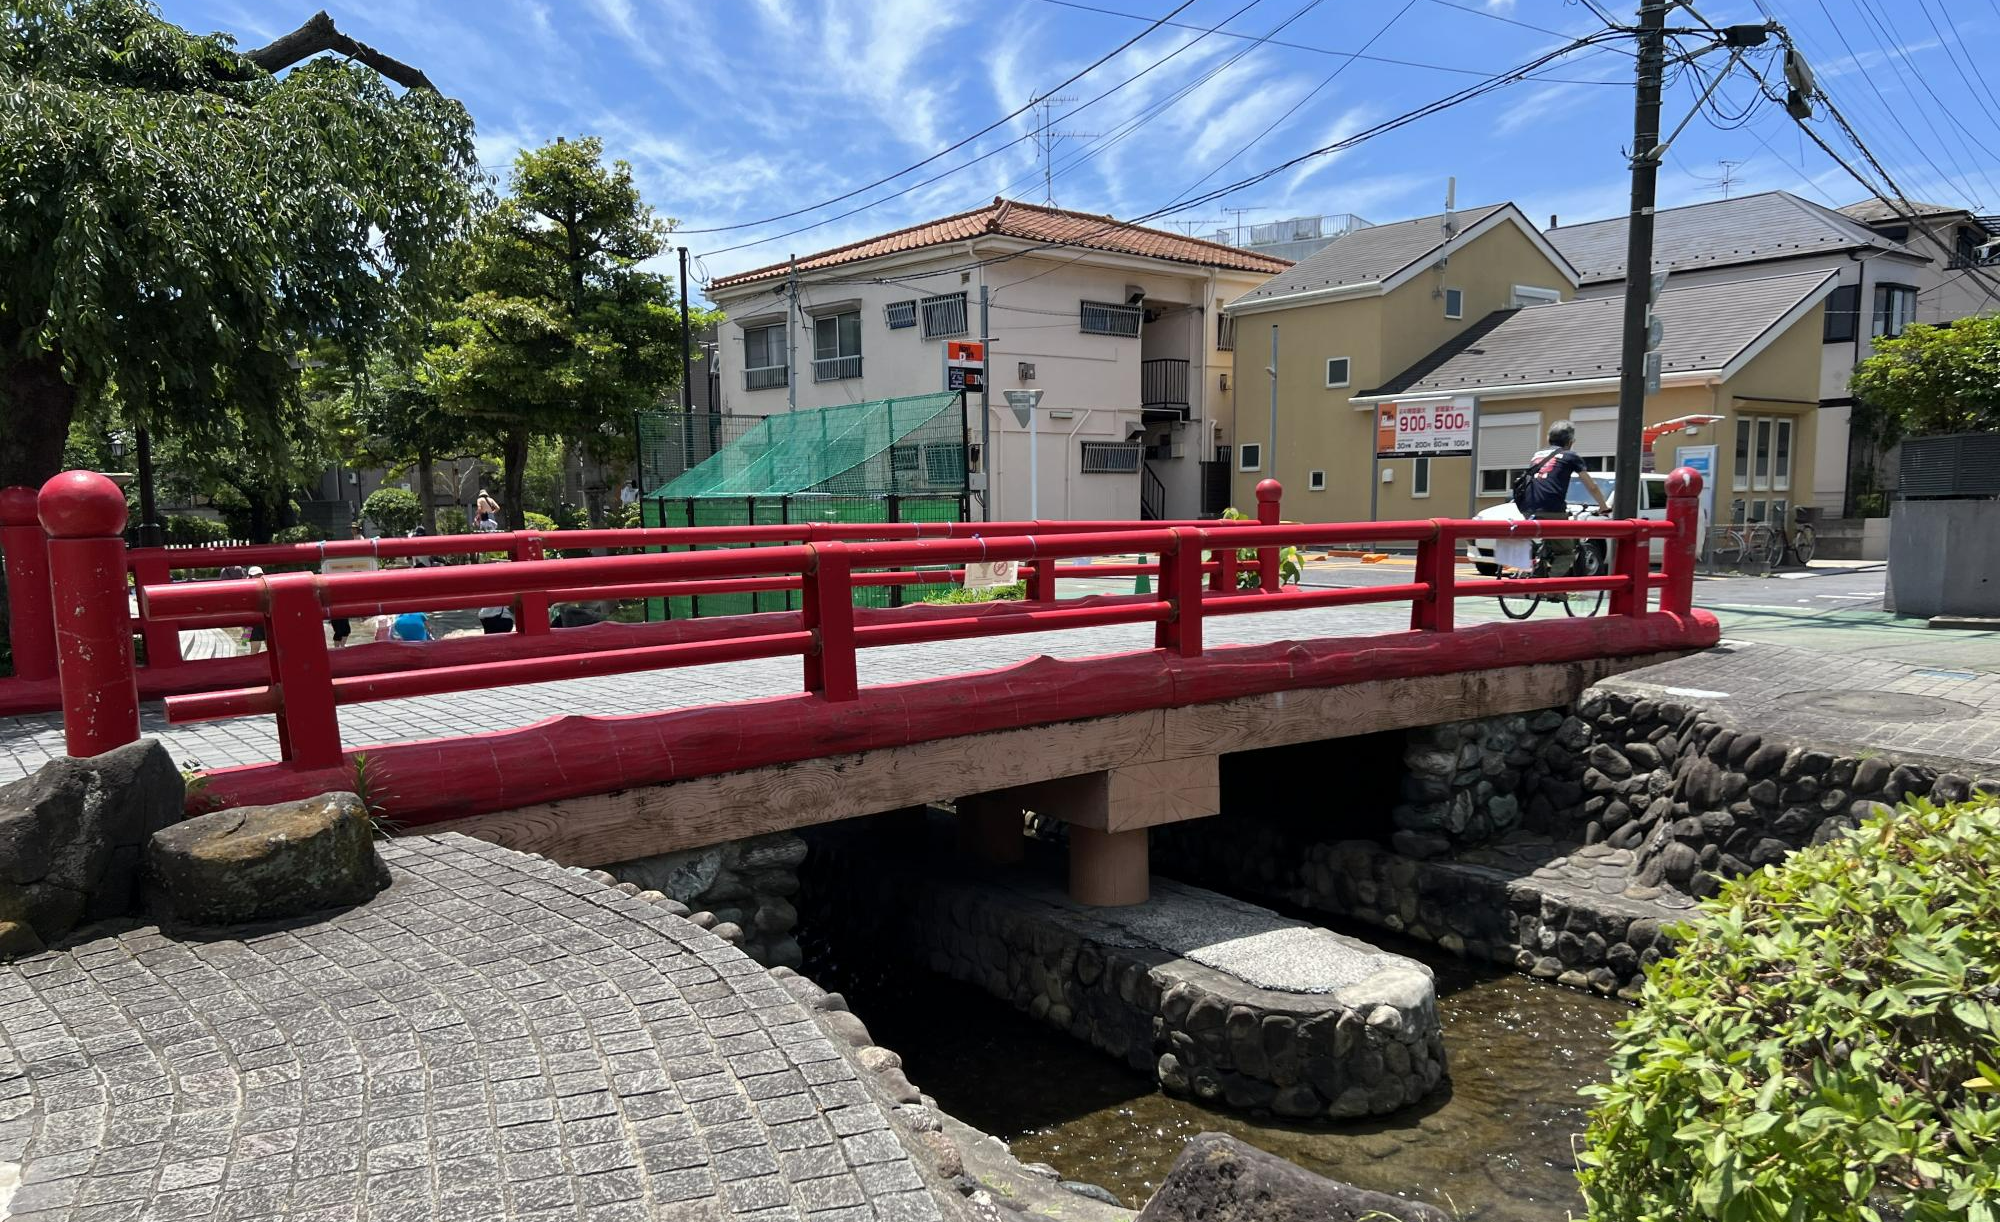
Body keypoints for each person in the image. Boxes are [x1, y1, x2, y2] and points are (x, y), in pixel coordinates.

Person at [1514, 420, 1609, 585]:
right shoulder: (1571, 456)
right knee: (1566, 552)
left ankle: (1538, 572)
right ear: (1570, 441)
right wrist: (1603, 506)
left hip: (1527, 508)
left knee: (1549, 542)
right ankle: (1552, 588)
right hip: (1552, 509)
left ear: (1548, 438)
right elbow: (1592, 486)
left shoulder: (1537, 455)